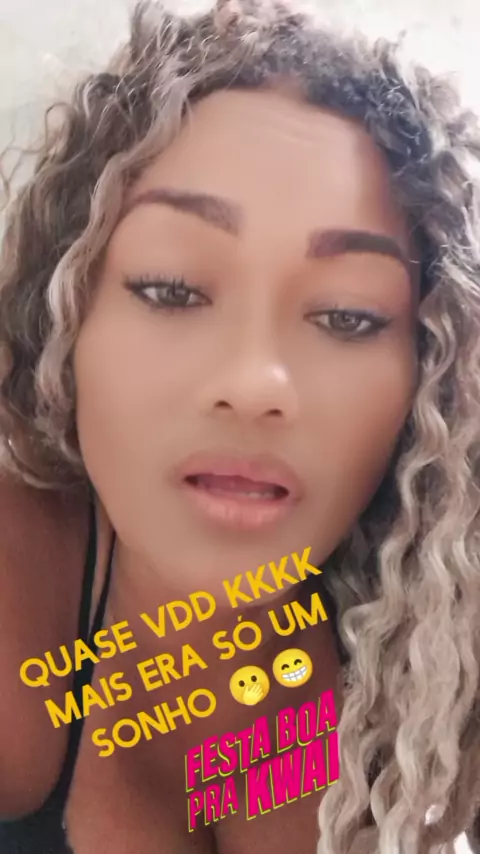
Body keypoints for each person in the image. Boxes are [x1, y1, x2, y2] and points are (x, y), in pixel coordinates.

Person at [0, 0, 479, 851]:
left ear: (431, 378)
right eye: (173, 289)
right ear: (65, 323)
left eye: (347, 316)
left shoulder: (426, 673)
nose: (255, 385)